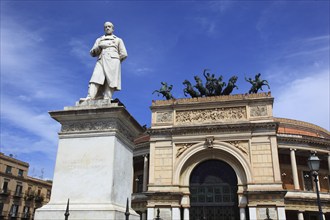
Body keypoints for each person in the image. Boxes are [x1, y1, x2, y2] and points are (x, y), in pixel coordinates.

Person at [86, 21, 127, 100]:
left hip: (113, 61)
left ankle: (107, 98)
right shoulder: (99, 40)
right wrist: (100, 47)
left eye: (109, 26)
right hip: (101, 60)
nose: (107, 28)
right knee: (95, 78)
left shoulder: (118, 40)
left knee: (110, 81)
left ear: (113, 29)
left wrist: (116, 60)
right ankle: (90, 97)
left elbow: (124, 53)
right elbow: (92, 53)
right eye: (106, 27)